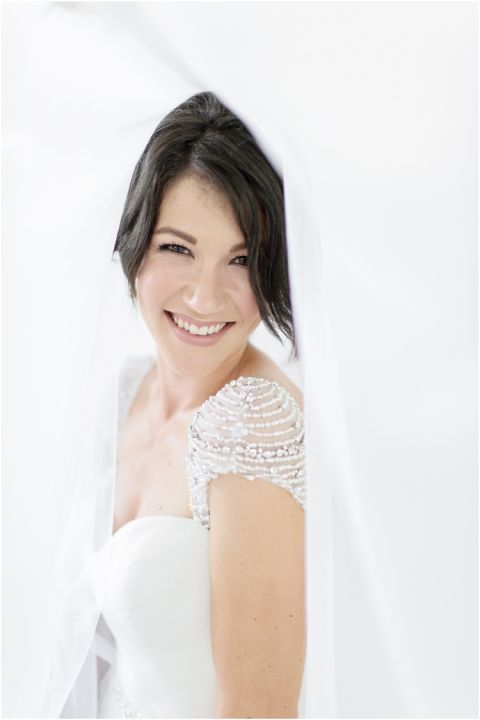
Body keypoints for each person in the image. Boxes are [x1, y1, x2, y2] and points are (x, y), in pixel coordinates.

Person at [97, 91, 306, 718]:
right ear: (135, 241)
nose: (204, 297)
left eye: (241, 259)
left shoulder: (254, 427)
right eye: (177, 248)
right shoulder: (125, 391)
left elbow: (259, 710)